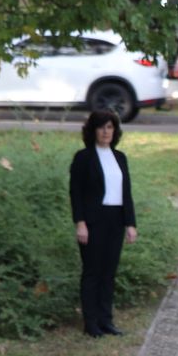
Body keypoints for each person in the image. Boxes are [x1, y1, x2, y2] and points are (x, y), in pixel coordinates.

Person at [69, 110, 138, 338]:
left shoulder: (120, 157)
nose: (106, 132)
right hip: (93, 221)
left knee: (109, 272)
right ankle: (91, 323)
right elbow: (75, 193)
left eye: (110, 127)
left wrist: (130, 223)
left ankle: (106, 320)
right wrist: (80, 223)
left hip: (115, 220)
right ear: (93, 130)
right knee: (92, 272)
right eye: (101, 127)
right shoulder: (83, 158)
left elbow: (125, 192)